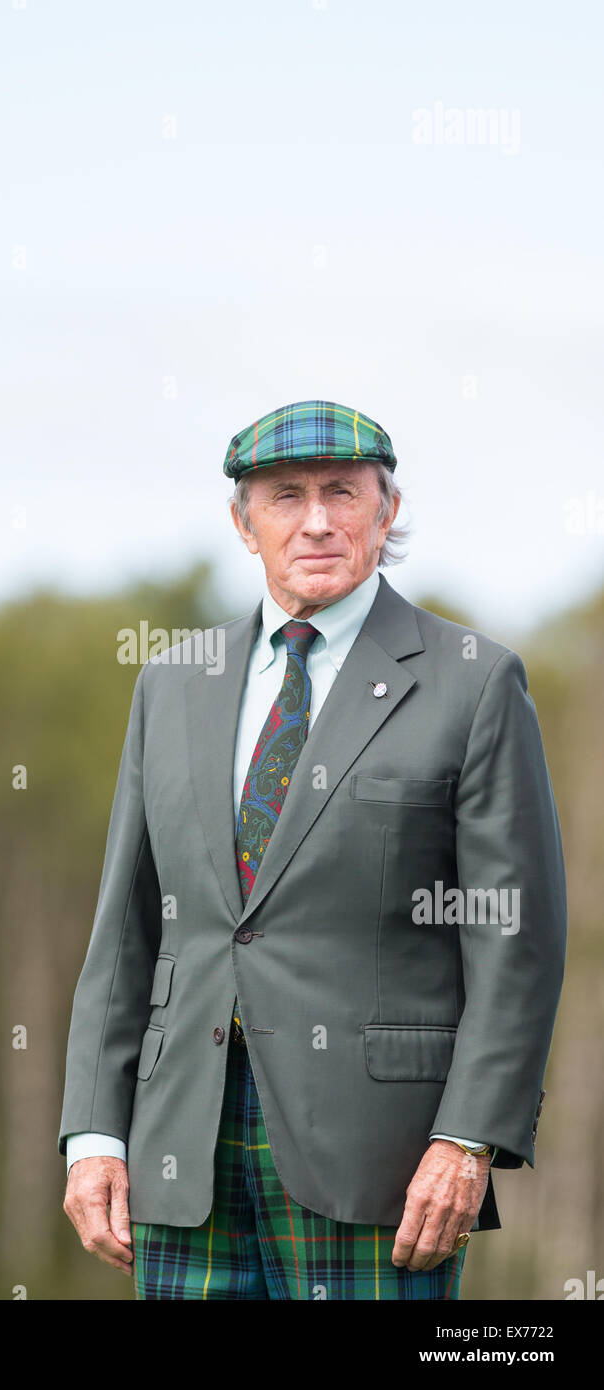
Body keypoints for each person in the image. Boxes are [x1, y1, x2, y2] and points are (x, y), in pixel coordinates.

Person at [58, 399, 567, 1300]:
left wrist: (467, 1139)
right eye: (287, 496)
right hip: (182, 1153)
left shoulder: (474, 682)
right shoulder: (172, 683)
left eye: (344, 492)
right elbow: (126, 930)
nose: (319, 519)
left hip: (386, 1165)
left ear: (387, 510)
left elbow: (515, 943)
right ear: (243, 522)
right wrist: (96, 1134)